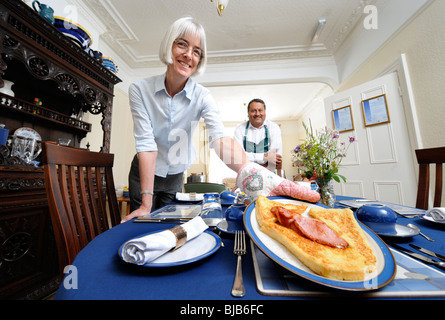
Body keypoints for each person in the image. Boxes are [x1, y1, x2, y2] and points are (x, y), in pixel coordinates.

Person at [123, 17, 320, 223]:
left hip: (175, 173)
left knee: (166, 223)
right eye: (182, 44)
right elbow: (146, 145)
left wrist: (255, 174)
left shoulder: (203, 97)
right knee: (143, 222)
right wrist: (145, 204)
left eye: (196, 51)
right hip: (143, 172)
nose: (188, 55)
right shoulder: (139, 90)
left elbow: (220, 140)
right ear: (169, 44)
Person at [234, 98, 282, 171]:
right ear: (248, 113)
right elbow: (238, 156)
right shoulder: (240, 129)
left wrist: (249, 159)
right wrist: (264, 157)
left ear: (265, 112)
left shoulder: (274, 128)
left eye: (260, 110)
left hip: (269, 174)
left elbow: (275, 159)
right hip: (246, 175)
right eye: (253, 111)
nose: (257, 114)